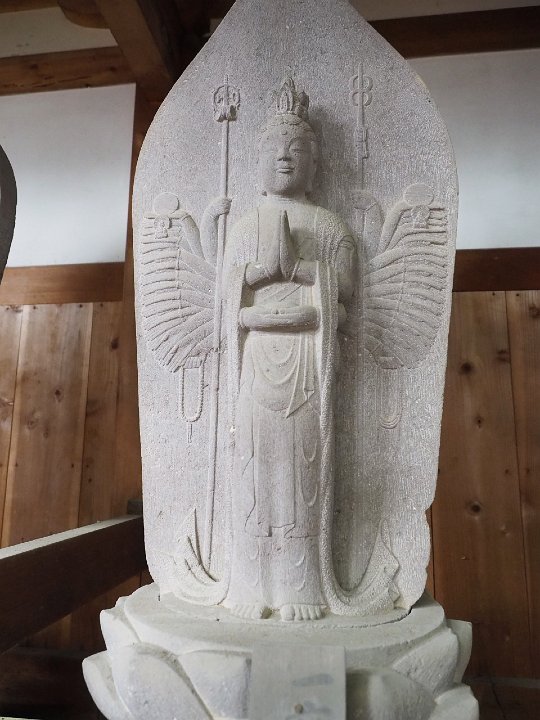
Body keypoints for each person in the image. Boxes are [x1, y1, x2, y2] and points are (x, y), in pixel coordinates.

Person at [223, 77, 356, 621]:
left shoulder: (329, 225)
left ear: (314, 164)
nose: (285, 156)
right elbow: (225, 300)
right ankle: (251, 585)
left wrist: (299, 269)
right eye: (275, 149)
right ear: (257, 160)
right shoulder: (243, 227)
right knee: (254, 470)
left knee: (303, 473)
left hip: (306, 363)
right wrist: (259, 272)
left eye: (297, 148)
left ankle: (300, 588)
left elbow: (345, 294)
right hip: (257, 361)